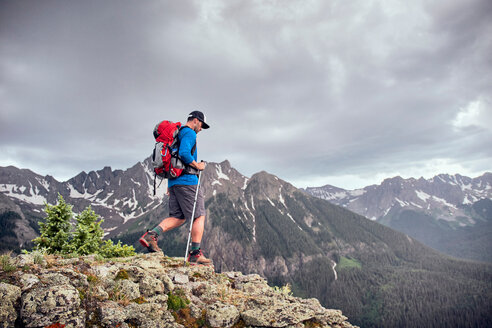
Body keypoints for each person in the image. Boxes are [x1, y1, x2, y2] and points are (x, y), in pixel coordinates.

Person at [139, 110, 211, 265]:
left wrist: (171, 185)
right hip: (187, 182)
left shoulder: (177, 134)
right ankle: (195, 254)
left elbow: (174, 158)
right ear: (196, 121)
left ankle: (152, 235)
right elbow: (185, 153)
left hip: (174, 182)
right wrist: (198, 165)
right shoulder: (189, 133)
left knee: (178, 217)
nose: (201, 129)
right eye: (202, 125)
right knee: (198, 215)